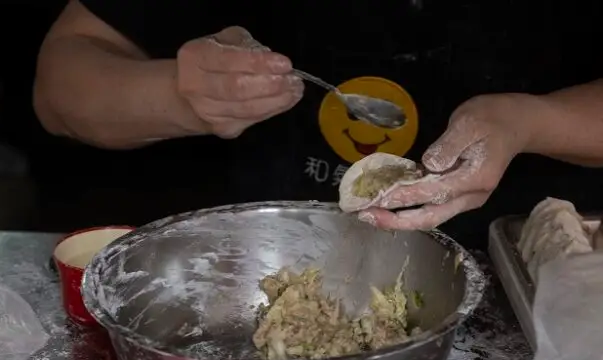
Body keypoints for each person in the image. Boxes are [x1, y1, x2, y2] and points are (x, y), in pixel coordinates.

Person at [34, 0, 603, 247]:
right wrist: (181, 95)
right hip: (253, 269)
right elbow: (61, 88)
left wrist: (533, 121)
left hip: (532, 290)